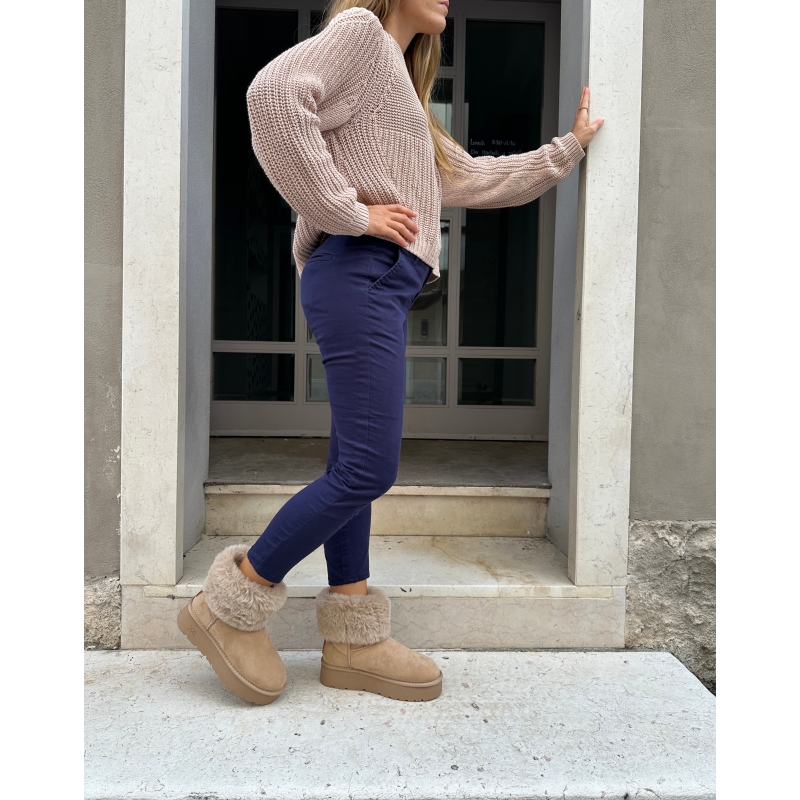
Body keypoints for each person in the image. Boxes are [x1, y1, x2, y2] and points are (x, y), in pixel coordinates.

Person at [178, 0, 604, 706]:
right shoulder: (361, 34)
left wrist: (569, 148)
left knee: (352, 463)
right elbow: (272, 97)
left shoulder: (397, 88)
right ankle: (230, 605)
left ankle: (353, 636)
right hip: (360, 272)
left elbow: (473, 179)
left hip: (377, 282)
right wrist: (349, 211)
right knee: (368, 468)